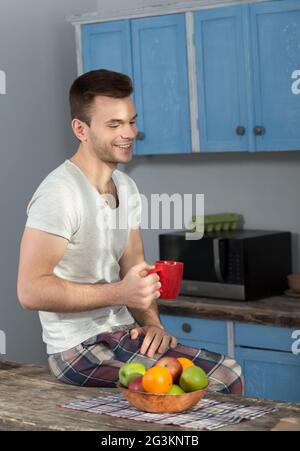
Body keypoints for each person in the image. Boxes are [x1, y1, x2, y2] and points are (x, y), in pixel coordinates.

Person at [17, 69, 243, 394]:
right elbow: (30, 291)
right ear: (81, 129)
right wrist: (120, 293)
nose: (129, 133)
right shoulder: (60, 193)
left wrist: (152, 324)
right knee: (191, 386)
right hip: (77, 348)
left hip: (123, 333)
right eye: (114, 125)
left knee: (228, 373)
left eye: (131, 121)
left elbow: (134, 272)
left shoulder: (127, 187)